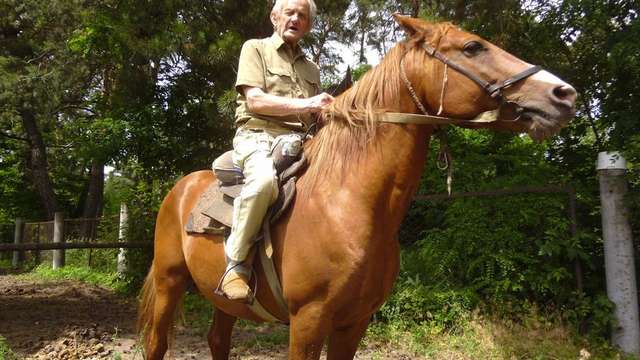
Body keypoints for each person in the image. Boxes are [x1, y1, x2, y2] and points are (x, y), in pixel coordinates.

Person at [218, 0, 334, 302]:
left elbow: (315, 116)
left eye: (302, 16)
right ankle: (236, 264)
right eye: (289, 12)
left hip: (301, 141)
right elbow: (255, 101)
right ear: (274, 17)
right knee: (263, 184)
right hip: (257, 136)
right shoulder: (254, 48)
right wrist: (309, 104)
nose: (295, 18)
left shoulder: (312, 68)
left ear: (308, 25)